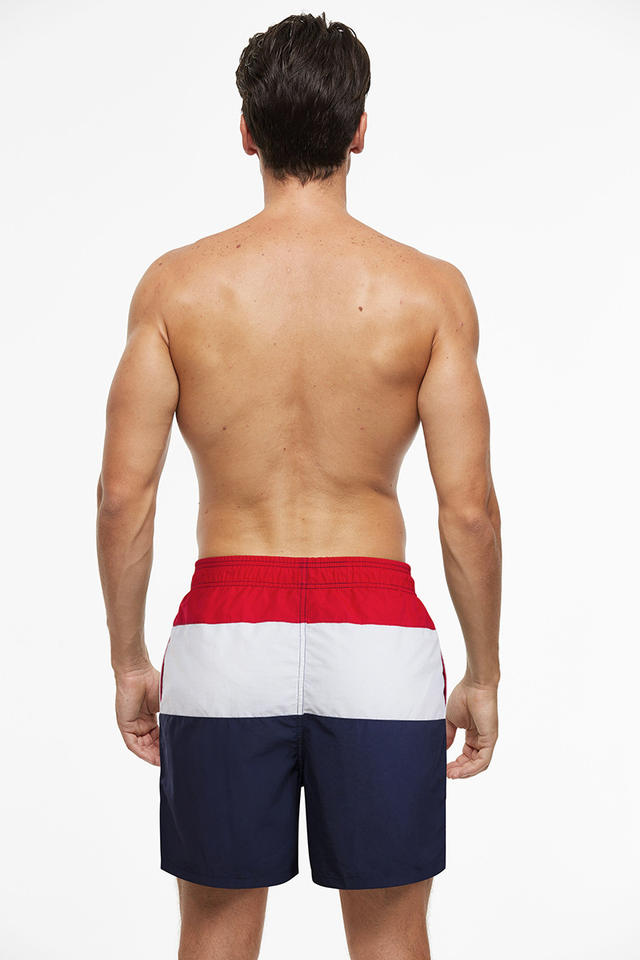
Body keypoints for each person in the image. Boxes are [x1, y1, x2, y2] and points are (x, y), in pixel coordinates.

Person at [96, 11, 501, 960]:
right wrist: (483, 672)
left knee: (214, 932)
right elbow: (469, 510)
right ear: (359, 129)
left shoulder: (177, 288)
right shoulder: (428, 292)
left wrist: (128, 660)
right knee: (392, 936)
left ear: (247, 132)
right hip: (379, 637)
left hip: (226, 630)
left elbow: (124, 497)